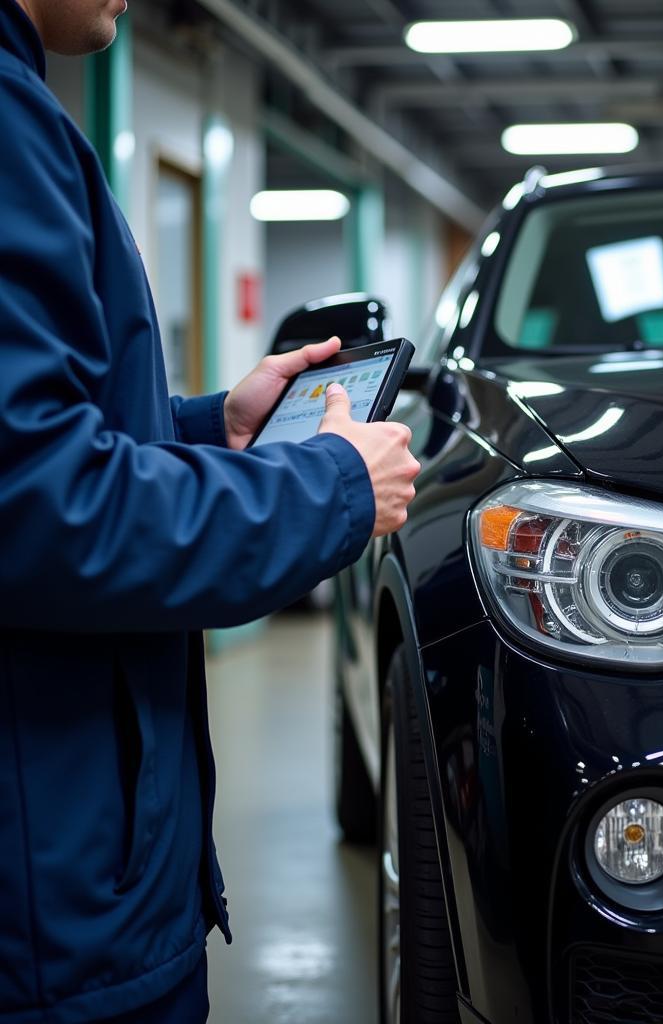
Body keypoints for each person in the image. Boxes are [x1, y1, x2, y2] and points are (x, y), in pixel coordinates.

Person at [0, 1, 420, 1021]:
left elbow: (42, 436)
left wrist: (208, 430)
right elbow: (42, 509)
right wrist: (331, 486)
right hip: (45, 904)